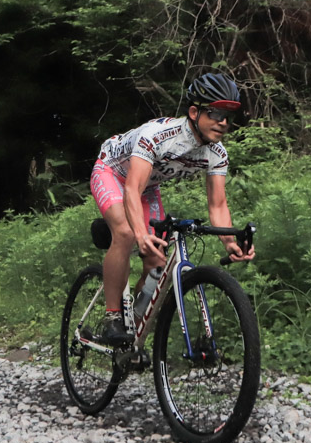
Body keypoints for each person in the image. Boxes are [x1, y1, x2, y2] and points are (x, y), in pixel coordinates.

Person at [89, 72, 256, 344]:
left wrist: (229, 242)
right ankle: (111, 317)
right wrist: (140, 233)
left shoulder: (217, 153)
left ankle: (134, 328)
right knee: (127, 233)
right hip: (113, 172)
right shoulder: (159, 136)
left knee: (156, 261)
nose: (223, 122)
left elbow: (218, 203)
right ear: (194, 112)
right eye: (215, 113)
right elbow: (131, 188)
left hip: (148, 186)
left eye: (228, 115)